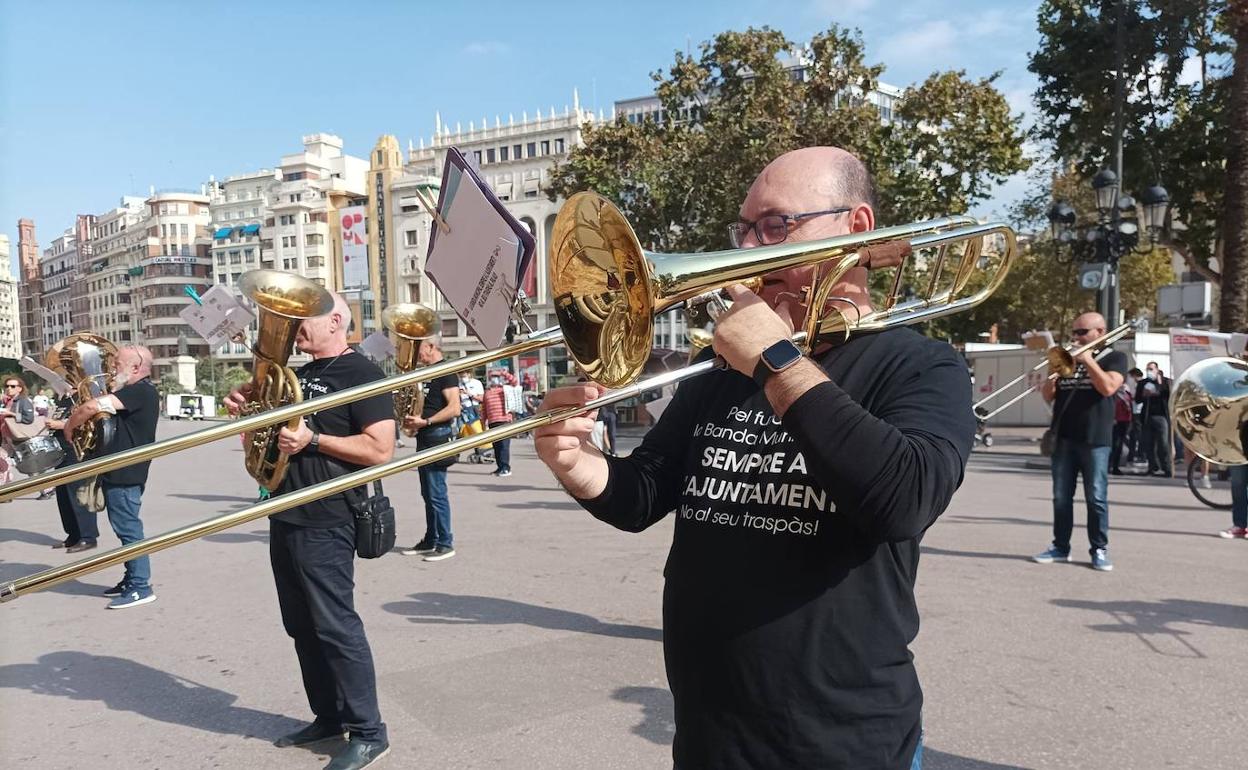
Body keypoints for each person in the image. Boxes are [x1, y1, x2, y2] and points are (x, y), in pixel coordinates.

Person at [534, 147, 974, 769]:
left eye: (775, 226)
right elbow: (644, 495)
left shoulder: (921, 365)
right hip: (709, 737)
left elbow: (903, 499)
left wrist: (776, 361)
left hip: (844, 744)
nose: (746, 250)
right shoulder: (721, 370)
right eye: (743, 230)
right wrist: (578, 464)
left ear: (856, 227)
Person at [225, 293, 393, 770]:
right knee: (300, 626)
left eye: (305, 318)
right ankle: (329, 717)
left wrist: (313, 439)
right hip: (286, 510)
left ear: (336, 321)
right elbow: (269, 435)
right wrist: (247, 406)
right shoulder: (297, 374)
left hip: (329, 516)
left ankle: (369, 732)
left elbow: (380, 449)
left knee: (335, 626)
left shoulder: (362, 374)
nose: (295, 326)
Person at [63, 346, 161, 608]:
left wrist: (69, 426)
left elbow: (91, 407)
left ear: (136, 368)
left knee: (129, 530)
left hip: (126, 472)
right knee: (124, 528)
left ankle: (140, 586)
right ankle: (131, 578)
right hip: (120, 471)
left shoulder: (141, 391)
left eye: (117, 364)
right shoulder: (134, 391)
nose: (111, 368)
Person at [1032, 313, 1127, 571]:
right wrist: (1053, 371)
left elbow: (1108, 388)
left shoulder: (1115, 358)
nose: (1077, 337)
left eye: (1082, 332)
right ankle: (1060, 547)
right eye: (1074, 332)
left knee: (1096, 497)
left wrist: (1088, 360)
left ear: (1100, 332)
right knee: (1061, 497)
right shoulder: (1069, 358)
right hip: (1064, 436)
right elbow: (1048, 395)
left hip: (1095, 439)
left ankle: (1099, 549)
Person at [399, 335, 460, 562]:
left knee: (436, 493)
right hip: (425, 436)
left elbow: (454, 408)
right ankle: (431, 539)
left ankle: (445, 543)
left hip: (436, 436)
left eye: (419, 347)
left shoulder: (446, 371)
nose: (416, 353)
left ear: (432, 346)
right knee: (427, 493)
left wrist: (426, 421)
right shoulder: (426, 372)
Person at [46, 394, 98, 551]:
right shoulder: (64, 398)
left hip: (76, 451)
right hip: (61, 450)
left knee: (78, 495)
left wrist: (61, 425)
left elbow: (90, 421)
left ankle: (88, 537)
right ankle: (73, 535)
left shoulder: (83, 395)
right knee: (64, 497)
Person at [1135, 361, 1172, 477]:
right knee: (1149, 443)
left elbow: (1168, 395)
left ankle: (1167, 468)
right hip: (1148, 416)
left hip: (1161, 416)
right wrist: (1144, 395)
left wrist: (1160, 384)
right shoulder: (1143, 383)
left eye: (1151, 369)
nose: (1149, 371)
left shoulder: (1165, 381)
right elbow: (1137, 399)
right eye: (1148, 369)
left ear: (1157, 370)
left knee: (1163, 443)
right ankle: (1152, 467)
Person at [0, 375, 35, 489]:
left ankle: (46, 489)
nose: (9, 388)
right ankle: (5, 488)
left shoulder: (23, 401)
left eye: (13, 386)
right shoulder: (6, 402)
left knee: (28, 465)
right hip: (6, 438)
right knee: (2, 462)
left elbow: (29, 418)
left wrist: (11, 414)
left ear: (20, 388)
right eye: (7, 386)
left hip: (18, 437)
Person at [481, 374, 513, 476]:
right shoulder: (487, 392)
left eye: (496, 377)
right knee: (497, 446)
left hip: (504, 421)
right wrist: (483, 423)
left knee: (504, 446)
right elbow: (484, 409)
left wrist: (503, 373)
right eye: (492, 377)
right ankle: (500, 467)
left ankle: (506, 468)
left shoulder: (504, 390)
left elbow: (515, 382)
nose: (494, 379)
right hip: (492, 422)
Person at [1109, 381, 1133, 475]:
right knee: (1115, 444)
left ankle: (1115, 466)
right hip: (1116, 421)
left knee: (1119, 445)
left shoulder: (1127, 394)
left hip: (1125, 421)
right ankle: (1110, 465)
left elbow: (1130, 407)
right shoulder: (1113, 394)